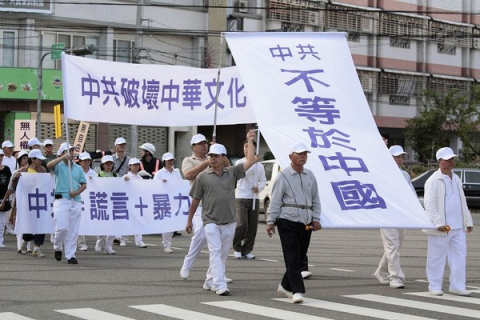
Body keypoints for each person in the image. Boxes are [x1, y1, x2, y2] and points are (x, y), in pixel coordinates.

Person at [186, 130, 256, 296]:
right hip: (210, 221)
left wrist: (250, 140)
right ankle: (220, 284)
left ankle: (209, 279)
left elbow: (251, 160)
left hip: (229, 221)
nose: (213, 158)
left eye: (216, 156)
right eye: (211, 155)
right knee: (215, 252)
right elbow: (195, 200)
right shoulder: (202, 177)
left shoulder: (232, 173)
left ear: (224, 157)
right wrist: (189, 220)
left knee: (223, 254)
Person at [266, 142, 321, 304]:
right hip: (287, 220)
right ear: (291, 157)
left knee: (299, 256)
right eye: (299, 153)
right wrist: (270, 221)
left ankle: (284, 285)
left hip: (306, 221)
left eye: (305, 153)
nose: (303, 156)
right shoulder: (283, 176)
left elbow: (315, 198)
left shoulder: (310, 175)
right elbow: (275, 200)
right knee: (292, 256)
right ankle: (297, 290)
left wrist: (316, 218)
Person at [424, 147, 474, 296]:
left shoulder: (456, 178)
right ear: (439, 161)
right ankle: (434, 285)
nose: (451, 162)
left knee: (460, 257)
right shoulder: (433, 180)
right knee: (436, 257)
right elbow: (429, 204)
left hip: (458, 227)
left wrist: (468, 220)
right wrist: (438, 223)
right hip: (441, 228)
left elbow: (462, 201)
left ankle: (457, 285)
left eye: (452, 159)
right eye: (447, 159)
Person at [373, 145, 415, 289]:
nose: (400, 159)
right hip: (387, 215)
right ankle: (395, 277)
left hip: (402, 216)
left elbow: (411, 195)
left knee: (396, 246)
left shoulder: (405, 175)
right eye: (396, 156)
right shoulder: (381, 174)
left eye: (401, 157)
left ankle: (381, 271)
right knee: (393, 246)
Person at [47, 142, 87, 264]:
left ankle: (71, 255)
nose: (71, 153)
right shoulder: (59, 166)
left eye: (72, 151)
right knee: (62, 227)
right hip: (62, 200)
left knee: (73, 230)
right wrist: (62, 158)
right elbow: (49, 165)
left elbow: (84, 184)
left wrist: (76, 192)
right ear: (62, 153)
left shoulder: (78, 168)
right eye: (68, 151)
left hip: (76, 201)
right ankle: (57, 246)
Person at [179, 133, 213, 279]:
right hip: (199, 203)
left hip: (215, 203)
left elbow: (228, 169)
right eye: (200, 143)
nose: (204, 145)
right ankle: (188, 263)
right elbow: (188, 175)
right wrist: (206, 163)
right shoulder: (188, 160)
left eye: (205, 143)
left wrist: (218, 154)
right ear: (193, 146)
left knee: (217, 239)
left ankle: (216, 272)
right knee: (200, 231)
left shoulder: (214, 157)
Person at [7, 150, 47, 256]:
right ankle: (25, 241)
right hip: (27, 203)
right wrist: (6, 199)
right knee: (30, 224)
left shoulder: (43, 170)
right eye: (38, 159)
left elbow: (47, 184)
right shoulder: (23, 171)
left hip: (40, 201)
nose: (40, 161)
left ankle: (37, 248)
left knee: (41, 224)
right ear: (32, 160)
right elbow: (12, 187)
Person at [233, 140, 266, 260]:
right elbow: (242, 173)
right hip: (241, 197)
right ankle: (237, 248)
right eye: (245, 147)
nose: (247, 149)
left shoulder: (260, 166)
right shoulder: (240, 162)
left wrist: (259, 188)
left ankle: (247, 249)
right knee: (242, 224)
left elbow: (263, 180)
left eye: (250, 147)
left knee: (252, 226)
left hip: (254, 198)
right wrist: (251, 162)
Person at [153, 152, 182, 253]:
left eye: (172, 160)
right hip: (164, 201)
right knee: (166, 223)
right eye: (168, 161)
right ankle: (166, 245)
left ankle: (168, 242)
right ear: (164, 161)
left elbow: (181, 184)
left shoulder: (176, 172)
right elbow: (154, 186)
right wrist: (162, 184)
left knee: (173, 224)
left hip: (175, 200)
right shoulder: (159, 173)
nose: (170, 162)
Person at [95, 155, 118, 254]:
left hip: (113, 203)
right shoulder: (98, 175)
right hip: (102, 203)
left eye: (110, 163)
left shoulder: (116, 175)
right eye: (106, 164)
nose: (108, 165)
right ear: (102, 165)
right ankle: (99, 242)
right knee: (103, 225)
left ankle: (108, 246)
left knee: (113, 226)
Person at [123, 158, 148, 248]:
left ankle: (139, 241)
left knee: (138, 221)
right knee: (126, 221)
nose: (136, 167)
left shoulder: (140, 178)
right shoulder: (125, 177)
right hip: (127, 202)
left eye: (137, 165)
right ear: (130, 166)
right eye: (134, 165)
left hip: (137, 202)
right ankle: (123, 239)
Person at [112, 137, 131, 247]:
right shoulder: (111, 159)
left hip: (124, 189)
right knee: (114, 212)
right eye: (120, 144)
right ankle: (114, 235)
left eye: (123, 144)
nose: (122, 146)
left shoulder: (128, 160)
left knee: (123, 212)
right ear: (116, 146)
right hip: (113, 188)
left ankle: (121, 237)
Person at [77, 152, 96, 251]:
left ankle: (85, 240)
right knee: (80, 221)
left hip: (90, 199)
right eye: (84, 161)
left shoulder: (93, 173)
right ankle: (81, 243)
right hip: (79, 199)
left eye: (88, 160)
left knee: (87, 220)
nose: (86, 162)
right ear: (80, 162)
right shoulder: (76, 171)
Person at [1, 140, 16, 236]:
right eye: (9, 148)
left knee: (10, 206)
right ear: (4, 149)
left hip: (10, 186)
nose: (11, 149)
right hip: (2, 186)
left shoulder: (14, 159)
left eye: (11, 148)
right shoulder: (3, 160)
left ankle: (8, 225)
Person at [0, 149, 12, 248]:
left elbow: (10, 183)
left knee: (2, 222)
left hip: (4, 198)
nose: (0, 158)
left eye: (1, 156)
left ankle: (0, 240)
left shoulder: (7, 169)